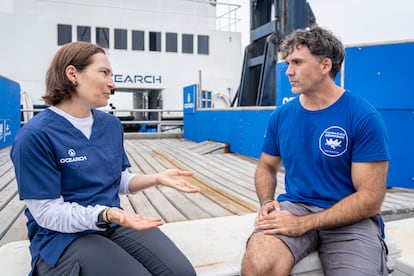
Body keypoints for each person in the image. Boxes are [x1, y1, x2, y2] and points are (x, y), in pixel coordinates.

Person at [10, 41, 200, 276]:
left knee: (182, 273)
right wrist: (106, 214)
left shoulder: (110, 125)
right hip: (61, 236)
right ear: (73, 74)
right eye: (104, 73)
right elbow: (47, 213)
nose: (112, 83)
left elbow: (116, 179)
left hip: (111, 222)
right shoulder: (35, 135)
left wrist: (157, 178)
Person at [241, 25, 390, 275]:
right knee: (258, 265)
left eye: (297, 62)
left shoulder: (363, 117)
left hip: (349, 218)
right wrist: (267, 201)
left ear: (325, 66)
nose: (288, 71)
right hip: (296, 206)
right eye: (288, 63)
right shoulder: (282, 116)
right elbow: (266, 166)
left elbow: (370, 199)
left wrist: (303, 224)